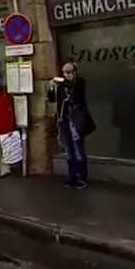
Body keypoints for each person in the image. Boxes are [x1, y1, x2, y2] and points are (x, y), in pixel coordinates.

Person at [47, 61, 95, 189]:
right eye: (64, 72)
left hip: (76, 121)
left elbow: (76, 93)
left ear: (74, 72)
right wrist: (52, 88)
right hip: (64, 121)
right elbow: (52, 99)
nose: (66, 75)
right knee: (69, 151)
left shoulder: (79, 82)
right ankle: (72, 176)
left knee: (79, 150)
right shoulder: (62, 86)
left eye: (69, 72)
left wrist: (62, 82)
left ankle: (82, 177)